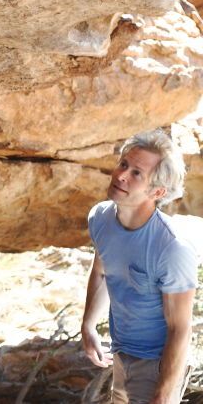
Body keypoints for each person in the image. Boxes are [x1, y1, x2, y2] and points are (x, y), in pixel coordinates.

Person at [81, 129, 197, 404]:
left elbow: (180, 328)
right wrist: (88, 325)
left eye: (136, 173)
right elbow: (101, 270)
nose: (121, 175)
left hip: (157, 364)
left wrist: (163, 394)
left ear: (157, 191)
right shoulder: (100, 218)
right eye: (124, 164)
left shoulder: (171, 248)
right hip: (121, 354)